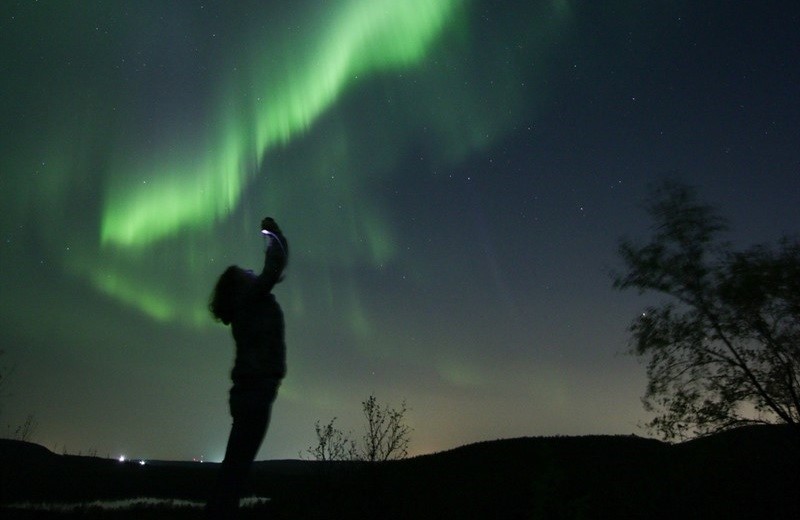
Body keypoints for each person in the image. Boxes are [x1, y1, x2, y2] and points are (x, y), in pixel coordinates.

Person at [206, 217, 289, 519]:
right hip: (255, 392)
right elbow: (274, 266)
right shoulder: (249, 300)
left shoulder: (247, 303)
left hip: (252, 393)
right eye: (245, 272)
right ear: (240, 285)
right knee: (235, 473)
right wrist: (273, 235)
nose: (251, 271)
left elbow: (270, 273)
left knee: (235, 470)